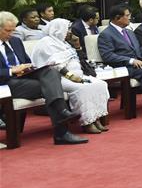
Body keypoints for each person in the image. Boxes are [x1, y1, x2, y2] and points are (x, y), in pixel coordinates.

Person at [0, 11, 83, 144]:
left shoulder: (15, 41)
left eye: (13, 30)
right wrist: (11, 70)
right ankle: (61, 130)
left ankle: (62, 117)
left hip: (24, 76)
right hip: (6, 82)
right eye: (7, 31)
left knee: (51, 71)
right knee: (50, 87)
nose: (11, 34)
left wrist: (27, 67)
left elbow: (27, 61)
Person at [31, 19, 111, 135]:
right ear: (58, 29)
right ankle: (87, 122)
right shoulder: (46, 43)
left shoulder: (64, 42)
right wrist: (71, 76)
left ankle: (95, 118)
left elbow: (78, 60)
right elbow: (52, 65)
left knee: (100, 84)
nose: (69, 32)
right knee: (84, 89)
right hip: (59, 78)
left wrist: (77, 46)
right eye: (67, 29)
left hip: (78, 75)